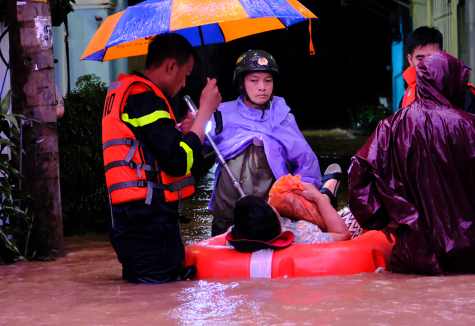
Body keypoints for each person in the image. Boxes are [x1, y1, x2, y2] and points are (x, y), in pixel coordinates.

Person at [349, 51, 475, 275]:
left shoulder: (391, 126)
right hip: (472, 254)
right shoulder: (473, 127)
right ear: (454, 83)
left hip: (414, 253)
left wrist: (382, 220)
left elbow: (358, 175)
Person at [102, 33, 222, 283]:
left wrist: (187, 133)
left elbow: (155, 148)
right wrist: (204, 114)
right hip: (147, 230)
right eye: (186, 74)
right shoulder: (145, 98)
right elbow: (177, 162)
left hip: (136, 224)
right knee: (157, 303)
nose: (185, 84)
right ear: (170, 66)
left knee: (151, 305)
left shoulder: (131, 94)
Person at [204, 50, 325, 236]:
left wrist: (294, 201)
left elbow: (306, 164)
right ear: (240, 84)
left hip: (266, 216)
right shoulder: (220, 113)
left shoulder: (283, 118)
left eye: (268, 81)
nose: (262, 87)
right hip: (226, 214)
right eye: (254, 80)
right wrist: (194, 125)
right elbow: (198, 146)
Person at [226, 166, 351, 252]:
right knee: (352, 213)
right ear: (278, 219)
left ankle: (326, 196)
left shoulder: (240, 232)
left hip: (284, 226)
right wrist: (317, 197)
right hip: (323, 228)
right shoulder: (304, 239)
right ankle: (325, 195)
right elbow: (344, 235)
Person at [399, 26, 475, 126]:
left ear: (444, 55)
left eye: (433, 57)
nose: (427, 65)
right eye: (421, 59)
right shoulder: (406, 100)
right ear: (410, 60)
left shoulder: (464, 95)